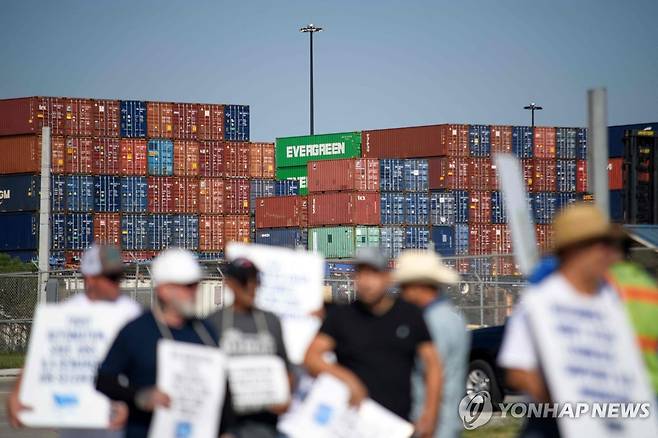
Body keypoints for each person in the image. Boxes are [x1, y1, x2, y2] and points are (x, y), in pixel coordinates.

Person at [497, 203, 633, 437]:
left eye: (609, 245)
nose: (609, 254)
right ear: (574, 250)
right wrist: (568, 401)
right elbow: (517, 370)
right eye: (600, 245)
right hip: (551, 426)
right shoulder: (541, 301)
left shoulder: (610, 298)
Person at [6, 243, 142, 438]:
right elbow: (42, 357)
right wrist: (18, 393)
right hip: (75, 426)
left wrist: (132, 405)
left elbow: (144, 368)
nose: (116, 283)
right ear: (90, 278)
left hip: (116, 425)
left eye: (119, 277)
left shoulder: (132, 314)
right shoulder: (65, 313)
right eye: (110, 278)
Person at [304, 247, 442, 438]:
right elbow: (311, 357)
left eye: (372, 273)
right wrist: (347, 379)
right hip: (351, 426)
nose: (365, 281)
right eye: (360, 273)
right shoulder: (341, 317)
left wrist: (431, 413)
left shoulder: (410, 315)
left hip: (396, 426)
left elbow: (433, 364)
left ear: (387, 277)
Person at [95, 248, 234, 438]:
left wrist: (226, 430)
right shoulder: (137, 331)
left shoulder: (205, 331)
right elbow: (104, 379)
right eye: (187, 286)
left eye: (195, 285)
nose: (194, 292)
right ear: (164, 290)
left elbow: (221, 388)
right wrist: (139, 397)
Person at [206, 257, 291, 438]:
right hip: (228, 426)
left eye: (256, 281)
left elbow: (286, 368)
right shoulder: (213, 323)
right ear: (229, 284)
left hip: (266, 424)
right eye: (245, 280)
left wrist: (284, 395)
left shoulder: (271, 321)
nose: (252, 287)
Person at [396, 249, 469, 438]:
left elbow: (433, 373)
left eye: (404, 286)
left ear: (419, 286)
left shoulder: (432, 322)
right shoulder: (452, 316)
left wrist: (428, 418)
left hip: (431, 422)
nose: (401, 292)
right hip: (446, 418)